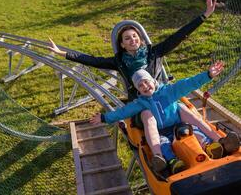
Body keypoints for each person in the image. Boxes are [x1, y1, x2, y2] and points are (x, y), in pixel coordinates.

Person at [48, 0, 220, 168]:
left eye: (135, 36)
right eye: (127, 38)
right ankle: (161, 156)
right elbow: (92, 60)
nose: (132, 40)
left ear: (141, 38)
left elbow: (178, 36)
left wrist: (204, 15)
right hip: (142, 104)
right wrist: (63, 53)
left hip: (162, 97)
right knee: (147, 115)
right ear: (122, 44)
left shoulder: (154, 52)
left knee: (183, 110)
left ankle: (211, 141)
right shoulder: (120, 61)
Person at [90, 61, 240, 174]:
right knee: (164, 145)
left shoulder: (169, 91)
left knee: (195, 133)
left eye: (146, 82)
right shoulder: (140, 103)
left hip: (180, 126)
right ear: (138, 90)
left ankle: (215, 145)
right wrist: (104, 118)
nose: (145, 86)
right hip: (162, 133)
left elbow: (188, 83)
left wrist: (208, 75)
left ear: (153, 81)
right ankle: (168, 161)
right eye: (140, 85)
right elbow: (123, 112)